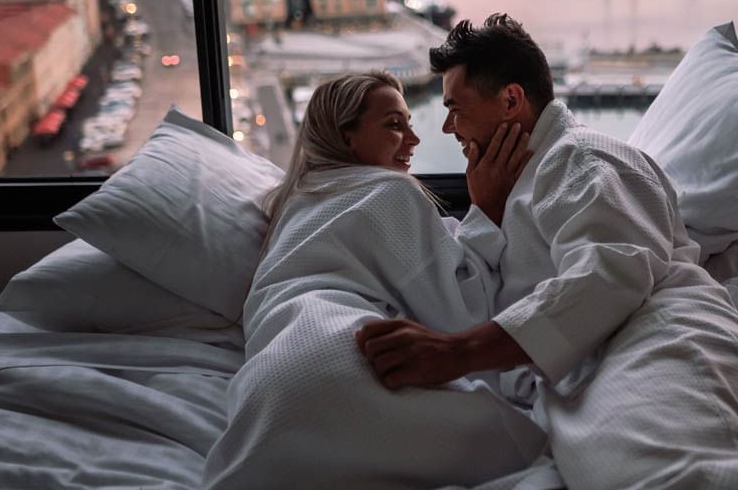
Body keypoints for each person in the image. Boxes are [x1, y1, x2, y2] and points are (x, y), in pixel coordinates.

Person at [357, 15, 738, 490]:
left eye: (455, 108)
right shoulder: (524, 182)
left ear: (510, 100)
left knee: (661, 472)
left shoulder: (581, 156)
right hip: (594, 355)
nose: (446, 128)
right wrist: (488, 210)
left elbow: (612, 272)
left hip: (655, 330)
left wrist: (458, 353)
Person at [203, 71, 555, 490]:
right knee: (544, 450)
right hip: (345, 357)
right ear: (346, 136)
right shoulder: (388, 191)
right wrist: (486, 209)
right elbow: (464, 312)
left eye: (408, 122)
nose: (413, 139)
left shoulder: (294, 203)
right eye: (394, 125)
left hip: (268, 383)